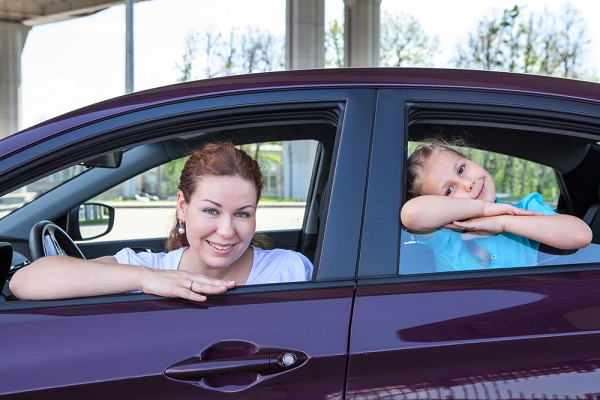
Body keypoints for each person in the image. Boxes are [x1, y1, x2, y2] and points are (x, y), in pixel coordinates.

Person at [10, 141, 313, 301]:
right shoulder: (148, 269)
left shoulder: (288, 270)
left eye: (242, 213)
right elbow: (25, 282)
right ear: (183, 207)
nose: (226, 231)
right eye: (211, 211)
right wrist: (143, 279)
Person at [400, 139, 592, 271]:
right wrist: (483, 210)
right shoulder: (444, 234)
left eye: (461, 168)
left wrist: (503, 222)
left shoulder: (523, 211)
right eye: (449, 190)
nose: (467, 183)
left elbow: (581, 235)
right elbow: (412, 214)